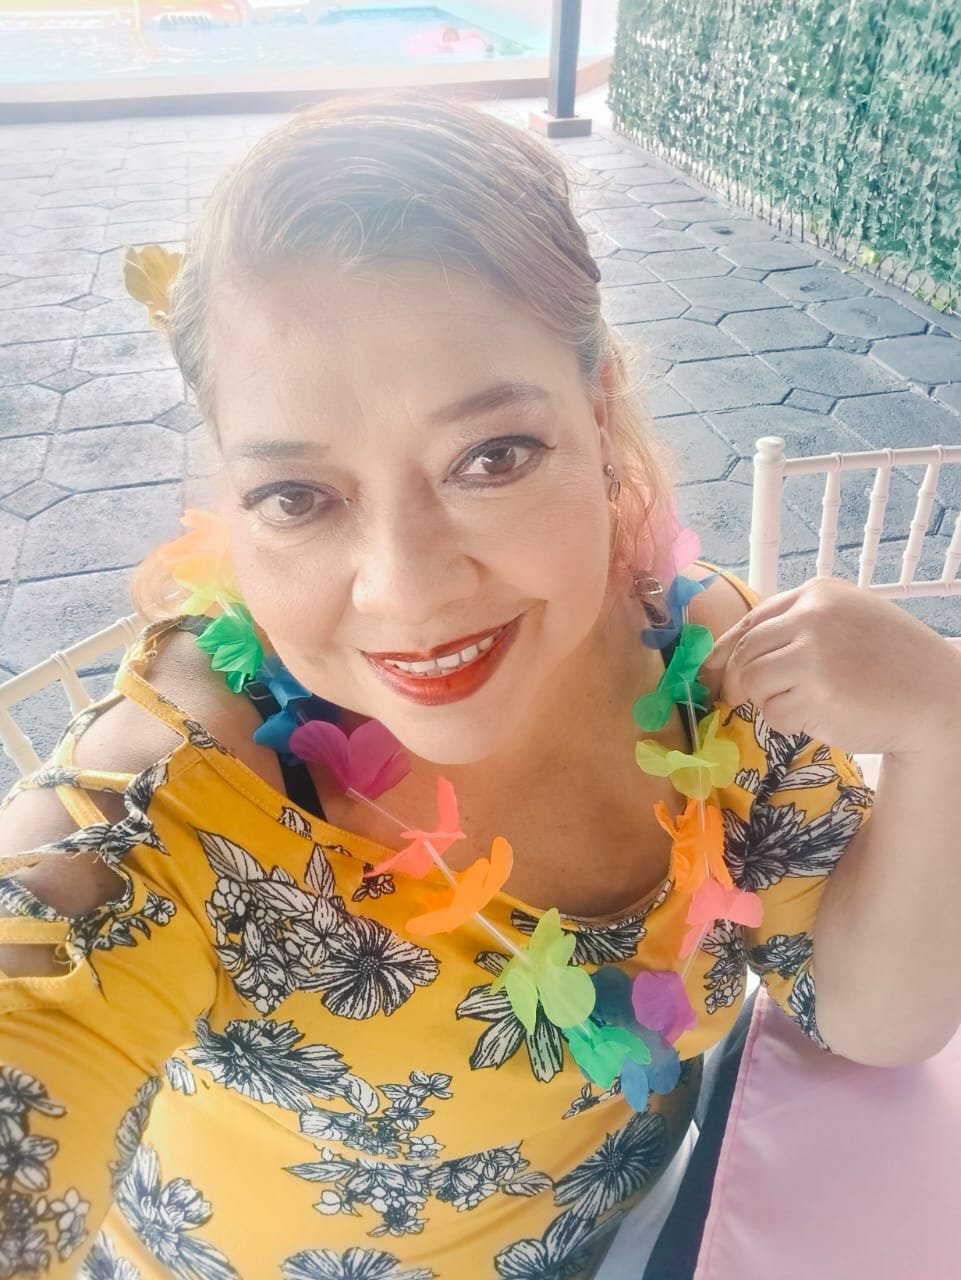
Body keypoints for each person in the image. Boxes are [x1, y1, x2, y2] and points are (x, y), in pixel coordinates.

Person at [0, 93, 959, 1280]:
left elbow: (870, 1017)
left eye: (491, 458)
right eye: (298, 495)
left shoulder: (712, 667)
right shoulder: (176, 802)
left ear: (596, 414)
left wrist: (941, 728)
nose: (406, 590)